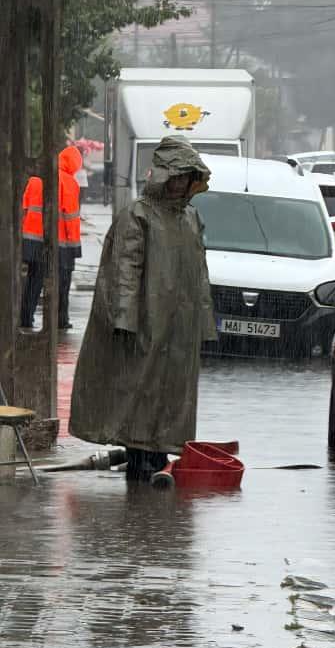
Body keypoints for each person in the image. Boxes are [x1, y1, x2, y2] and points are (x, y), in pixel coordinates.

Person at [69, 137, 217, 482]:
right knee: (141, 390)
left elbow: (201, 274)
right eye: (176, 175)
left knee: (172, 393)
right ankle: (140, 460)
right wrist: (125, 317)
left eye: (186, 176)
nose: (180, 182)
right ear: (162, 176)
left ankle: (158, 455)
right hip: (147, 321)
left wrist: (204, 322)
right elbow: (125, 270)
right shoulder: (137, 216)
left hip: (180, 325)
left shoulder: (191, 218)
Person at [20, 145, 83, 330]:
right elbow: (71, 218)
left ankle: (25, 318)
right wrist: (74, 247)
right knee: (63, 281)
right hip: (60, 243)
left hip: (33, 240)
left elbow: (24, 208)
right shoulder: (69, 183)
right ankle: (61, 320)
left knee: (34, 279)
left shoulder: (36, 178)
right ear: (74, 165)